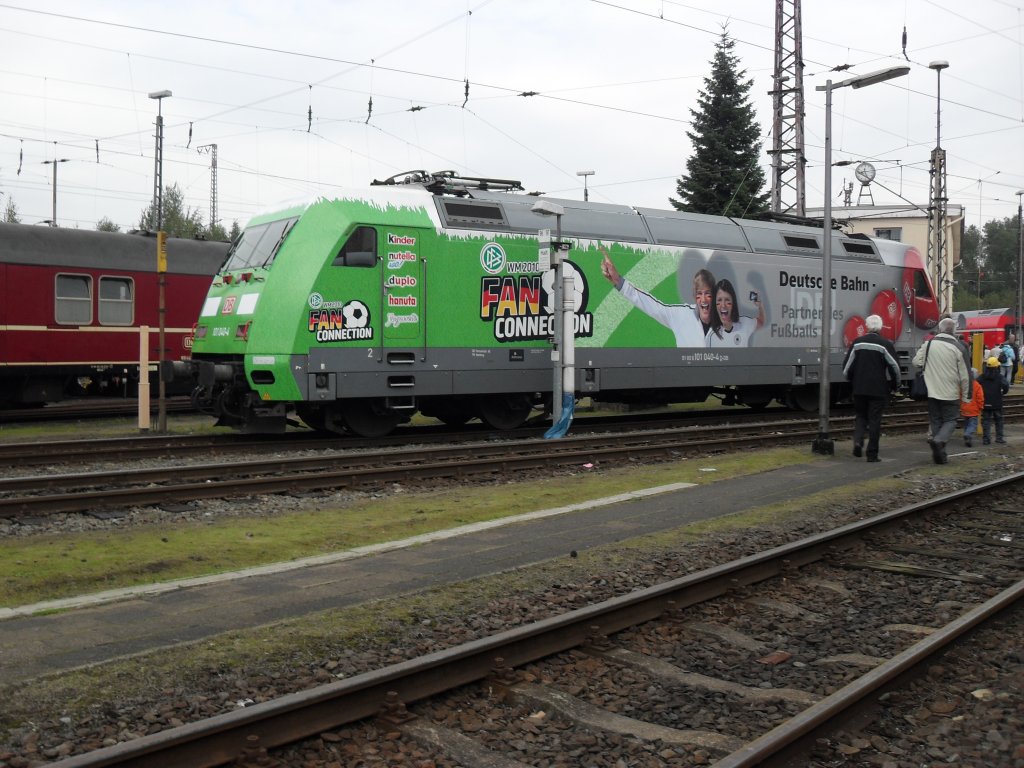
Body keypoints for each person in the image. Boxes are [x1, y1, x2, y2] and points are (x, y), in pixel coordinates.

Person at [600, 247, 714, 346]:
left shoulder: (726, 321)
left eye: (708, 294)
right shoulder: (681, 315)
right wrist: (618, 281)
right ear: (695, 296)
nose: (703, 299)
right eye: (699, 294)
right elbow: (652, 305)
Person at [912, 316, 972, 464]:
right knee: (951, 420)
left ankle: (939, 453)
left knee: (936, 420)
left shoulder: (929, 344)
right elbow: (966, 375)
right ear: (954, 331)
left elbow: (916, 362)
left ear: (940, 329)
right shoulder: (959, 347)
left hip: (932, 391)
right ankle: (939, 441)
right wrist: (967, 396)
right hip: (950, 392)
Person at [842, 314, 901, 462]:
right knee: (875, 420)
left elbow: (847, 368)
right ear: (880, 327)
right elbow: (895, 368)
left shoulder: (857, 343)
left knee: (861, 416)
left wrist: (851, 380)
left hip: (859, 388)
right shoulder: (885, 345)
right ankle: (872, 454)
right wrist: (895, 385)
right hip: (878, 389)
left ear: (867, 326)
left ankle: (858, 441)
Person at [707, 279, 765, 347]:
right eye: (719, 300)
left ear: (733, 303)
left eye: (727, 300)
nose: (723, 305)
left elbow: (761, 322)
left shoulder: (745, 323)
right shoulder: (710, 336)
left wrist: (760, 305)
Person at [978, 355, 1009, 444]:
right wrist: (1004, 392)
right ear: (997, 366)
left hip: (985, 402)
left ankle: (986, 439)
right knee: (999, 420)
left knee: (986, 421)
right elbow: (1006, 385)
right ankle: (999, 438)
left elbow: (975, 385)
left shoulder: (982, 377)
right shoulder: (999, 377)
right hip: (997, 402)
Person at [960, 369, 984, 448]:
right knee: (973, 424)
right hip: (974, 409)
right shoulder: (977, 385)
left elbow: (960, 395)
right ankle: (968, 435)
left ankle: (967, 438)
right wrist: (980, 407)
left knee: (966, 424)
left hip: (964, 408)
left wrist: (961, 405)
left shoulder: (964, 384)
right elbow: (980, 398)